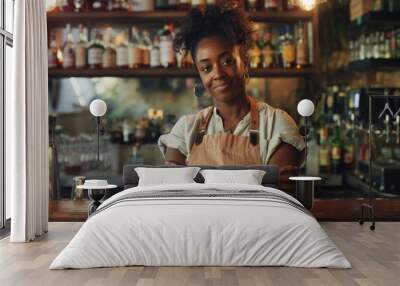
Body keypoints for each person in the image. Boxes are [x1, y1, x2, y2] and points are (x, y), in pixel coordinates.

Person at [158, 4, 305, 193]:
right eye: (206, 68)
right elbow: (171, 193)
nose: (218, 73)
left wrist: (200, 183)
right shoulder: (185, 130)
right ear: (200, 75)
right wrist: (261, 180)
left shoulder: (277, 124)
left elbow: (277, 196)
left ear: (243, 60)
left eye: (227, 61)